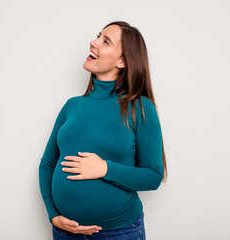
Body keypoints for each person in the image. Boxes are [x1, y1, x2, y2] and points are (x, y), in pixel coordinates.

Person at [39, 21, 168, 240]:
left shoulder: (140, 108)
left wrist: (105, 169)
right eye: (98, 36)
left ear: (122, 61)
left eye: (105, 41)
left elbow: (153, 176)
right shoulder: (72, 106)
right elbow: (48, 164)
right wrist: (53, 215)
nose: (93, 42)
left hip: (119, 233)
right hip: (65, 232)